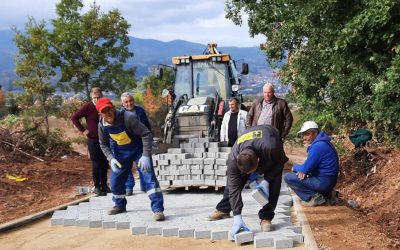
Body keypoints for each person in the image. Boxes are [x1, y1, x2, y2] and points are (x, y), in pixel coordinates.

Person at [208, 125, 289, 236]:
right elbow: (234, 187)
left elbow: (280, 163)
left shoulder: (271, 147)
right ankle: (224, 209)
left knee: (274, 181)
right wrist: (237, 216)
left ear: (259, 161)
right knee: (233, 183)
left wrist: (266, 181)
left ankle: (266, 217)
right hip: (250, 140)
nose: (249, 175)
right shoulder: (233, 158)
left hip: (269, 135)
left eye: (251, 171)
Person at [96, 97, 165, 220]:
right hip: (120, 154)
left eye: (110, 109)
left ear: (113, 107)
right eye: (104, 111)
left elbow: (146, 133)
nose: (108, 113)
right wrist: (111, 158)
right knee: (115, 181)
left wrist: (145, 155)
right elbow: (103, 144)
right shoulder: (102, 125)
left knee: (149, 179)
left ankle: (158, 210)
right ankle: (119, 205)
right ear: (100, 114)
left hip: (139, 151)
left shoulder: (128, 117)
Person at [284, 121, 339, 206]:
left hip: (323, 183)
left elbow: (304, 168)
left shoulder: (318, 146)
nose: (304, 138)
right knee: (302, 173)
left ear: (315, 133)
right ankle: (326, 195)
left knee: (288, 177)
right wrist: (304, 171)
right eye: (303, 134)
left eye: (307, 134)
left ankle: (316, 198)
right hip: (328, 182)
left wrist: (294, 168)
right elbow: (307, 168)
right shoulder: (323, 143)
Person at [71, 87, 109, 196]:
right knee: (96, 163)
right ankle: (97, 186)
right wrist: (83, 130)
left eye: (98, 97)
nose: (97, 99)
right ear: (91, 96)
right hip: (93, 139)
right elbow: (74, 117)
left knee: (105, 163)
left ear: (101, 96)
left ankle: (104, 185)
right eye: (95, 97)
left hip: (105, 139)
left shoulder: (104, 106)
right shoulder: (88, 106)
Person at [120, 92, 151, 196]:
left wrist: (150, 138)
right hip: (126, 144)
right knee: (126, 167)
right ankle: (129, 187)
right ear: (122, 103)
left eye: (131, 100)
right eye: (126, 102)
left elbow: (147, 125)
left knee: (142, 165)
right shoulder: (120, 114)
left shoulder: (140, 111)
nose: (129, 103)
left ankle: (145, 186)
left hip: (139, 142)